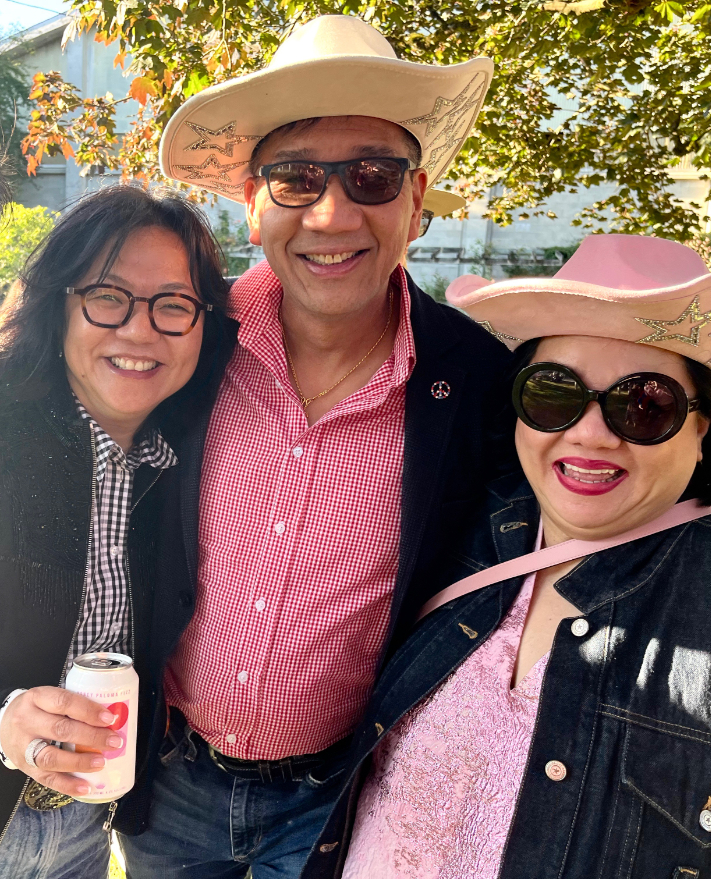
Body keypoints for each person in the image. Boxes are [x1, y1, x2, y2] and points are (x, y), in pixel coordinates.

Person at [117, 13, 514, 879]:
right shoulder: (184, 344)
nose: (332, 213)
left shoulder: (476, 380)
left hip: (340, 796)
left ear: (414, 201)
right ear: (252, 203)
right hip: (171, 782)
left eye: (372, 177)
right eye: (296, 179)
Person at [297, 232, 711, 878]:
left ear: (701, 427)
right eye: (554, 394)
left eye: (644, 405)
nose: (588, 432)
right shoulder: (464, 526)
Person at [0, 185, 232, 878]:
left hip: (85, 823)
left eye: (172, 305)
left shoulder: (185, 467)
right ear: (57, 307)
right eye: (108, 296)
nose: (139, 330)